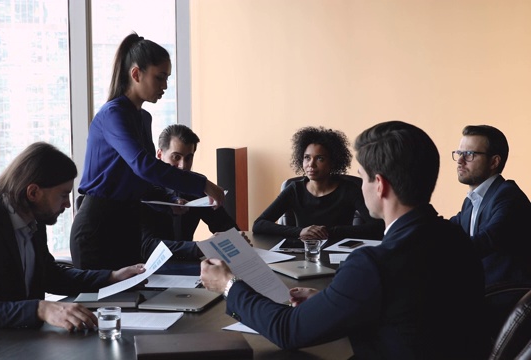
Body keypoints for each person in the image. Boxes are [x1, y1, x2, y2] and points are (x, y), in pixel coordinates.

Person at [200, 121, 488, 359]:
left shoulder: (373, 264)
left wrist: (228, 285)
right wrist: (333, 301)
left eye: (362, 178)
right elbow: (410, 313)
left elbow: (287, 329)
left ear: (380, 185)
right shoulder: (457, 238)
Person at [0, 142, 146, 347]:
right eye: (63, 194)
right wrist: (40, 309)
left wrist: (111, 277)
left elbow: (49, 275)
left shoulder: (33, 221)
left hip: (14, 338)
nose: (68, 204)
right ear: (33, 192)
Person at [70, 33, 225, 270]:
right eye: (160, 77)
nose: (164, 86)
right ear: (136, 74)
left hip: (128, 224)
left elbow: (141, 178)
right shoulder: (113, 114)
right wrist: (202, 183)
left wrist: (170, 200)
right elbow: (144, 165)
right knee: (103, 304)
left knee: (135, 299)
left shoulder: (143, 117)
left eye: (167, 79)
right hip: (98, 228)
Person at [449, 125, 531, 334]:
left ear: (494, 161)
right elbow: (450, 228)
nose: (460, 160)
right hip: (483, 291)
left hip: (505, 298)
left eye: (469, 154)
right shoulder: (472, 202)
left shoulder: (508, 197)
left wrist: (440, 251)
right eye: (459, 153)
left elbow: (486, 241)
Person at [252, 126, 383, 241]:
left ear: (333, 162)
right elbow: (259, 224)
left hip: (338, 255)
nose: (311, 164)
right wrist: (300, 232)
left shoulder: (349, 189)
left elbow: (378, 227)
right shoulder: (295, 189)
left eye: (320, 158)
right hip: (303, 255)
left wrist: (328, 232)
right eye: (307, 157)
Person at [141, 124, 244, 262]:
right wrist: (201, 247)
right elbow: (147, 247)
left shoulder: (197, 186)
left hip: (189, 266)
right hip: (147, 269)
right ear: (159, 155)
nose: (183, 165)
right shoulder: (144, 188)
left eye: (188, 158)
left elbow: (224, 225)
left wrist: (237, 238)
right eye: (176, 157)